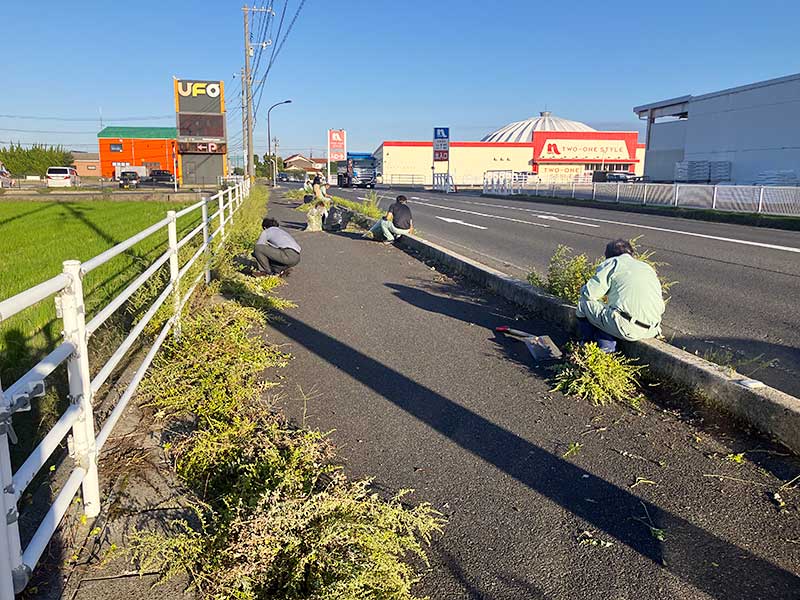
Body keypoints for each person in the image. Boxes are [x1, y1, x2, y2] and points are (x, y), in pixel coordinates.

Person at [576, 239, 665, 352]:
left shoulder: (612, 263)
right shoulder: (646, 267)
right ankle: (603, 342)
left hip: (627, 328)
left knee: (584, 303)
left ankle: (592, 345)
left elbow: (589, 294)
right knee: (612, 310)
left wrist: (584, 287)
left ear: (608, 255)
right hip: (652, 329)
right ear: (631, 254)